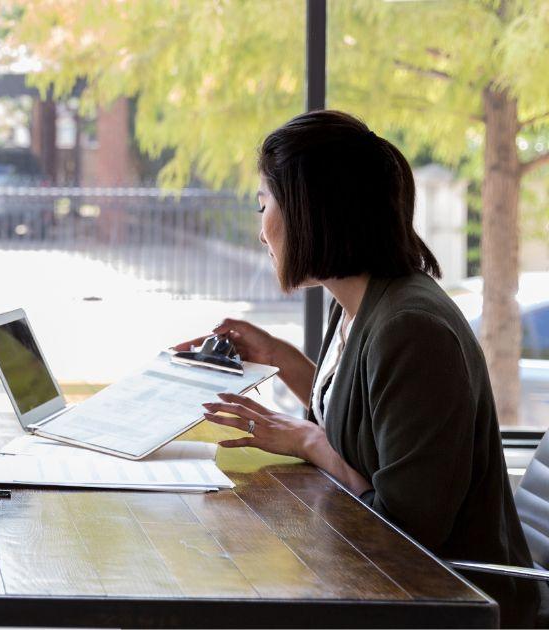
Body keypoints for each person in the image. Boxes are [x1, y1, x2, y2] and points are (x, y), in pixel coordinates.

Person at [175, 110, 538, 627]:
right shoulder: (357, 301)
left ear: (309, 211)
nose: (261, 232)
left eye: (264, 206)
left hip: (445, 596)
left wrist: (308, 443)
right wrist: (278, 357)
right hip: (380, 577)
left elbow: (406, 533)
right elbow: (354, 419)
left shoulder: (411, 328)